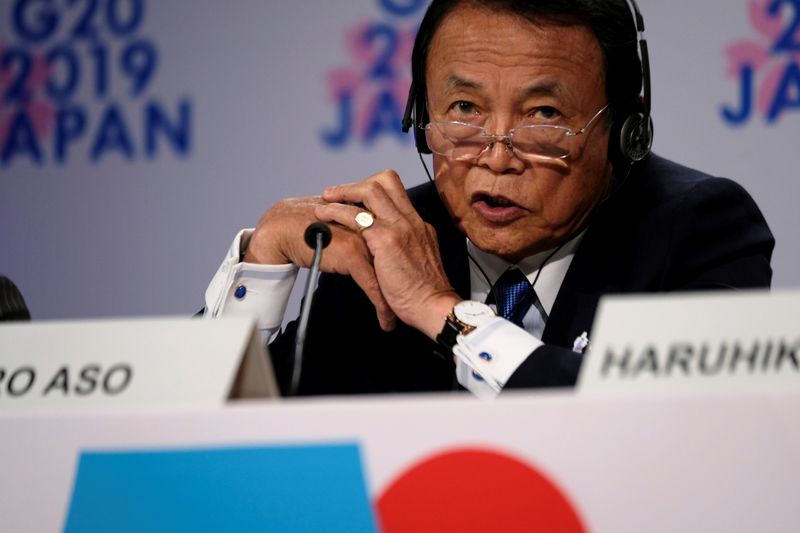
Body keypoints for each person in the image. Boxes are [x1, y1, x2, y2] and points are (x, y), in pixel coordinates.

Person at [204, 0, 774, 397]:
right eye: (464, 111)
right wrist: (260, 268)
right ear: (418, 115)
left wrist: (442, 311)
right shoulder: (380, 241)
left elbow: (671, 430)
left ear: (627, 127)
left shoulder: (695, 226)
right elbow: (204, 446)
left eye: (543, 115)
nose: (497, 157)